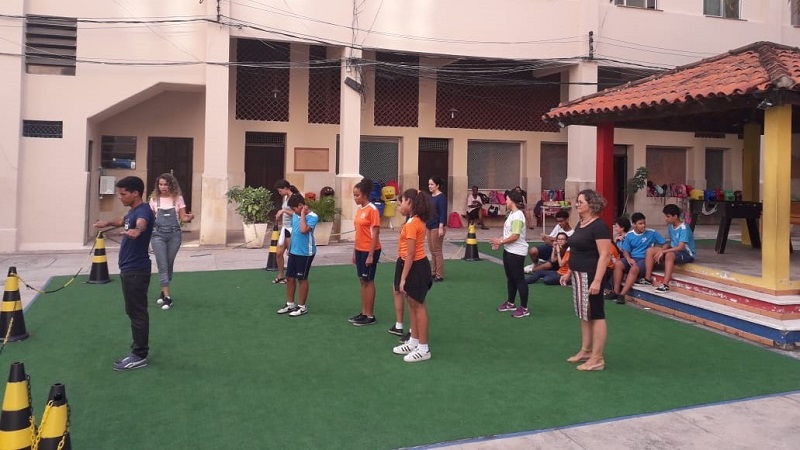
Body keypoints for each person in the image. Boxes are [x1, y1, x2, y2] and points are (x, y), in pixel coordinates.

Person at [93, 176, 154, 372]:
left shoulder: (143, 212)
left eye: (123, 194)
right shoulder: (132, 212)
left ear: (135, 193)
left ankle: (139, 355)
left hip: (136, 271)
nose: (120, 197)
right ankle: (137, 352)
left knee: (137, 312)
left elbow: (142, 223)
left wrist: (137, 230)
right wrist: (107, 222)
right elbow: (123, 221)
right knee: (133, 311)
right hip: (129, 269)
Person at [560, 189, 611, 371]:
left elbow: (605, 255)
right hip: (578, 274)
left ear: (591, 204)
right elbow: (577, 250)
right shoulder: (581, 224)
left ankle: (597, 358)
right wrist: (568, 271)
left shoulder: (599, 226)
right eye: (577, 201)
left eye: (581, 202)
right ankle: (586, 350)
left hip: (591, 276)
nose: (577, 204)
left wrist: (597, 281)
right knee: (584, 314)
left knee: (596, 314)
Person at [391, 189, 434, 362]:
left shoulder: (412, 223)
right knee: (412, 304)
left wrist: (403, 279)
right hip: (412, 265)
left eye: (401, 202)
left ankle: (423, 348)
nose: (399, 206)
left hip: (416, 266)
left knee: (419, 305)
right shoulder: (414, 221)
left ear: (409, 202)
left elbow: (410, 254)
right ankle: (414, 341)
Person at [148, 173, 193, 310]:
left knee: (169, 264)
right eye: (160, 184)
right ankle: (168, 298)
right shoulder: (154, 199)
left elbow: (183, 218)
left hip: (174, 235)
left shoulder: (178, 199)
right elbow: (150, 218)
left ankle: (163, 290)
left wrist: (190, 217)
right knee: (162, 264)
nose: (163, 187)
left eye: (166, 184)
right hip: (158, 235)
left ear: (171, 185)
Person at [276, 194, 319, 316]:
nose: (294, 212)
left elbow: (303, 230)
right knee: (289, 278)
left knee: (302, 279)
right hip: (294, 251)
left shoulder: (313, 217)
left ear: (301, 206)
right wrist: (290, 248)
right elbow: (294, 232)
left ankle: (302, 306)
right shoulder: (295, 214)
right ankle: (290, 305)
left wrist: (303, 214)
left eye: (295, 209)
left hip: (306, 253)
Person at [610, 213, 665, 304]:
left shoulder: (652, 233)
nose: (643, 225)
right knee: (618, 264)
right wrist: (628, 259)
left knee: (634, 268)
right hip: (632, 258)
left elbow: (665, 243)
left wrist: (662, 250)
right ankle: (615, 292)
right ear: (634, 224)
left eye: (644, 223)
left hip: (645, 260)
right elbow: (625, 250)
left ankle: (622, 295)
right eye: (640, 223)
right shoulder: (629, 235)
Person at [491, 190, 530, 318]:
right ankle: (510, 303)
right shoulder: (512, 214)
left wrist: (500, 242)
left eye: (506, 199)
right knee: (511, 278)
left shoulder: (518, 215)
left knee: (519, 279)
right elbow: (509, 234)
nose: (505, 201)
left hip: (517, 252)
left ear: (512, 200)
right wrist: (500, 241)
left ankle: (524, 308)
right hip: (509, 251)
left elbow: (515, 235)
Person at [642, 203, 697, 292]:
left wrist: (664, 252)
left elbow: (680, 247)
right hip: (675, 251)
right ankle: (647, 279)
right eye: (665, 216)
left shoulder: (684, 228)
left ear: (675, 216)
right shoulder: (671, 226)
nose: (666, 218)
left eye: (668, 216)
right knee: (650, 250)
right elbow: (672, 242)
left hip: (687, 254)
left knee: (669, 255)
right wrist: (662, 250)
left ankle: (665, 284)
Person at [349, 178, 382, 327]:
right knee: (362, 281)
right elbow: (358, 232)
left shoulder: (372, 210)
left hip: (371, 250)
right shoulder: (360, 209)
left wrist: (370, 254)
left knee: (368, 281)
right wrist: (355, 252)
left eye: (357, 195)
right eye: (354, 195)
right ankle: (363, 312)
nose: (355, 198)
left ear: (365, 195)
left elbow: (375, 234)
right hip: (360, 249)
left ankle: (370, 315)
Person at [272, 180, 299, 284]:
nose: (279, 193)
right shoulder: (286, 197)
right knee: (279, 253)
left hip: (292, 228)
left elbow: (298, 213)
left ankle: (292, 276)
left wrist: (283, 211)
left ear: (285, 188)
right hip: (285, 228)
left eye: (280, 191)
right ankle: (280, 275)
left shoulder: (295, 197)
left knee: (291, 254)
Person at [426, 176, 448, 282]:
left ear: (437, 185)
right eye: (429, 184)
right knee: (432, 251)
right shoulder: (430, 197)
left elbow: (443, 213)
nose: (430, 186)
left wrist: (440, 227)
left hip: (437, 227)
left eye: (432, 184)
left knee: (437, 251)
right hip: (429, 226)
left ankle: (439, 275)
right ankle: (433, 272)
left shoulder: (441, 197)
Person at [604, 217, 630, 301]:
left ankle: (612, 290)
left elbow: (624, 251)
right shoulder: (617, 238)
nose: (614, 228)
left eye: (616, 226)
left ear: (622, 228)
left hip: (623, 260)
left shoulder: (628, 237)